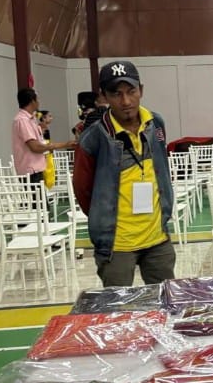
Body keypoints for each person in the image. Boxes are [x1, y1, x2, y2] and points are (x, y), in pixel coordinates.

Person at [73, 60, 175, 287]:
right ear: (104, 97)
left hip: (157, 238)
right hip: (117, 245)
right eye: (116, 94)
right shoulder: (93, 138)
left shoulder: (155, 123)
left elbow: (161, 169)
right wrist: (104, 217)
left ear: (141, 90)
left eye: (131, 91)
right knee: (119, 307)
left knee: (166, 302)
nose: (126, 101)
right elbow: (82, 190)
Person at [12, 88, 75, 182]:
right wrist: (64, 145)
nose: (39, 102)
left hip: (36, 168)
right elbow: (35, 147)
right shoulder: (23, 120)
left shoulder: (31, 119)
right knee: (37, 192)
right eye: (37, 99)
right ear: (32, 101)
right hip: (31, 171)